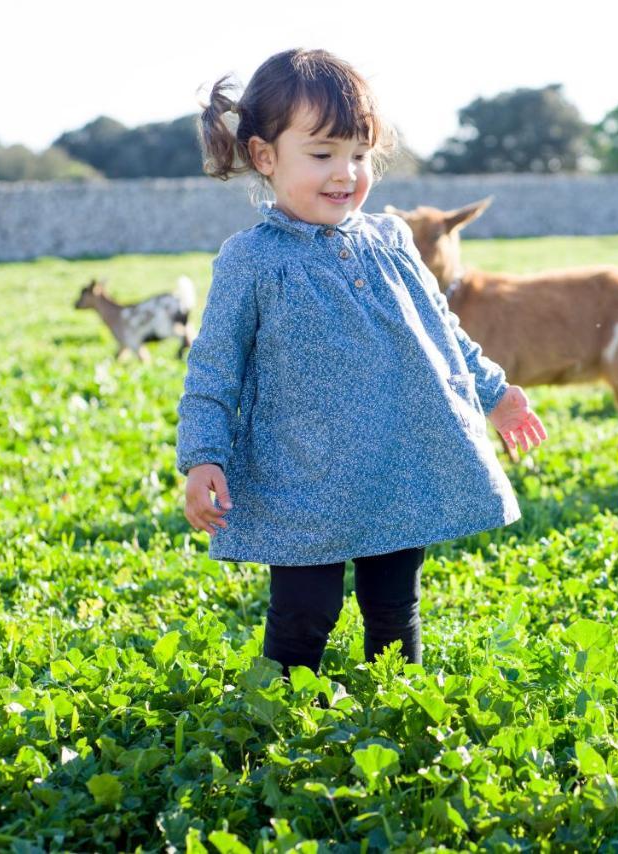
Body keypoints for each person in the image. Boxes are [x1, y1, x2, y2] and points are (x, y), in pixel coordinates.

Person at [177, 48, 545, 675]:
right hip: (303, 477)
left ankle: (396, 708)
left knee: (394, 605)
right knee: (304, 612)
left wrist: (495, 392)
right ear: (265, 156)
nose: (345, 173)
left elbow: (443, 330)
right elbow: (213, 371)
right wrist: (202, 456)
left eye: (359, 153)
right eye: (321, 155)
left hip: (396, 465)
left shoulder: (393, 240)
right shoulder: (252, 260)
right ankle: (285, 714)